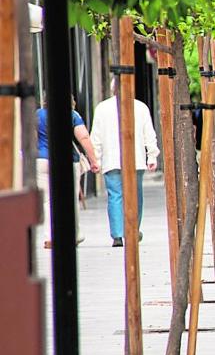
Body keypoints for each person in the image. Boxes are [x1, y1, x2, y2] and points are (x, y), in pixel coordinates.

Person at [90, 94, 159, 247]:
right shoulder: (141, 107)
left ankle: (117, 234)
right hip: (136, 159)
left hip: (111, 160)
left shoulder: (102, 108)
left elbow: (96, 137)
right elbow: (149, 133)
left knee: (115, 196)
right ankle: (133, 230)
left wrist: (96, 159)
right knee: (135, 197)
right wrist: (152, 156)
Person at [37, 99, 100, 248]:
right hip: (68, 161)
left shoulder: (37, 115)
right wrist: (94, 161)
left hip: (42, 160)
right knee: (70, 200)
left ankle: (49, 237)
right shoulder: (72, 115)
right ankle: (74, 235)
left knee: (47, 201)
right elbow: (83, 137)